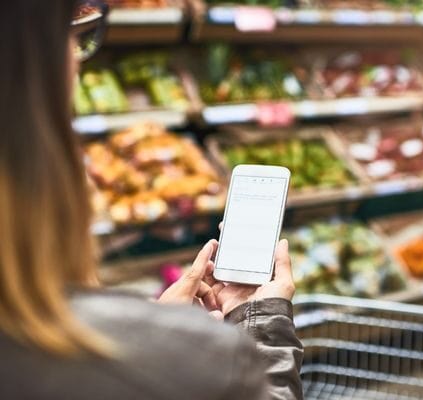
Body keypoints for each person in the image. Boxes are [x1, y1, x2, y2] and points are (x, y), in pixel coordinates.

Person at [0, 1, 303, 399]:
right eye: (70, 36)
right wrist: (260, 324)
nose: (78, 63)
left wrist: (153, 325)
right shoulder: (198, 362)